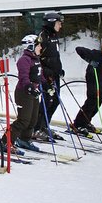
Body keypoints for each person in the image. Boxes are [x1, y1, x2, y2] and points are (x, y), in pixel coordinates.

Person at [0, 35, 42, 152]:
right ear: (31, 46)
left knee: (33, 119)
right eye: (38, 45)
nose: (40, 47)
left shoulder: (35, 58)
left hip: (34, 92)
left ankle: (24, 139)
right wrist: (30, 87)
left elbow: (39, 75)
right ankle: (5, 142)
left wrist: (48, 82)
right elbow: (24, 77)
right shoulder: (24, 60)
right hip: (24, 93)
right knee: (23, 120)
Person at [33, 12, 66, 141]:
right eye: (58, 23)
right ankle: (36, 128)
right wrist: (45, 71)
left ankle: (44, 125)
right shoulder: (42, 37)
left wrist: (59, 69)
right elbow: (36, 56)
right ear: (52, 23)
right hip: (46, 76)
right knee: (47, 101)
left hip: (55, 74)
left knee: (55, 100)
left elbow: (55, 56)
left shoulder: (54, 36)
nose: (60, 26)